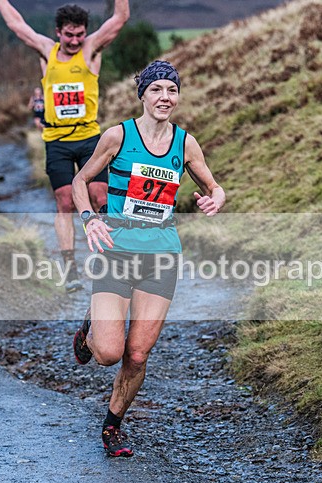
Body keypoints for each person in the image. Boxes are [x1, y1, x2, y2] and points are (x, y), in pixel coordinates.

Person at [71, 60, 226, 457]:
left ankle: (112, 426)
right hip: (117, 252)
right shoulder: (118, 136)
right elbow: (80, 181)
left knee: (137, 354)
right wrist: (89, 219)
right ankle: (89, 333)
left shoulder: (185, 143)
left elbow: (213, 184)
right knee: (109, 353)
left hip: (161, 254)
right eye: (156, 89)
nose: (164, 97)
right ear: (142, 94)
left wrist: (215, 197)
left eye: (171, 90)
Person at [0, 0, 130, 292]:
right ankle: (70, 269)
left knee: (99, 194)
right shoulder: (48, 51)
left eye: (79, 34)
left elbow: (121, 16)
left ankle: (110, 260)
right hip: (56, 140)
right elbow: (17, 26)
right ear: (58, 33)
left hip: (90, 137)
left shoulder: (91, 49)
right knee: (65, 202)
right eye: (69, 35)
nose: (74, 40)